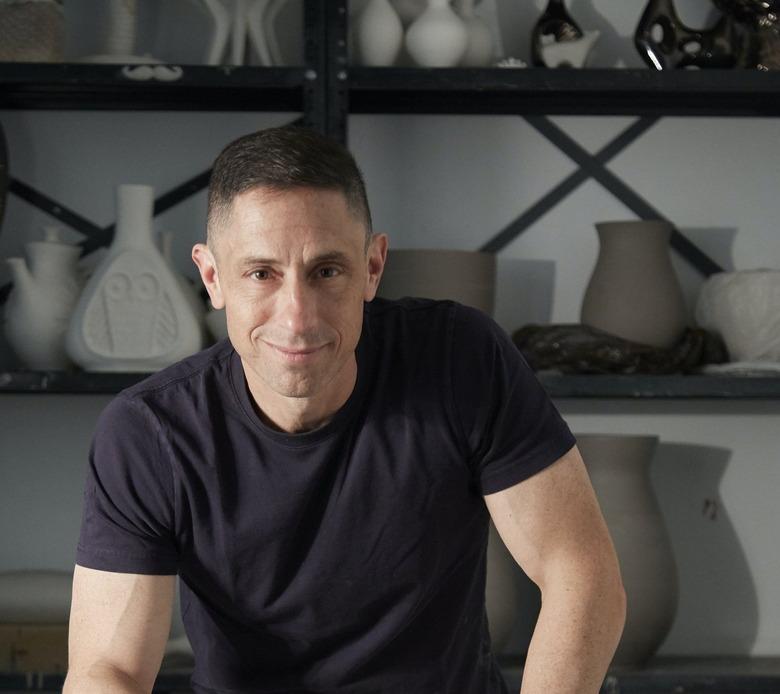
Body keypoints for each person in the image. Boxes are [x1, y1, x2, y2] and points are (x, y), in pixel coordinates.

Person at [64, 125, 626, 694]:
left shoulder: (460, 359)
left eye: (326, 272)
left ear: (373, 267)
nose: (298, 318)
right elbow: (107, 670)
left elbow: (579, 572)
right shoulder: (149, 432)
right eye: (262, 274)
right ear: (212, 276)